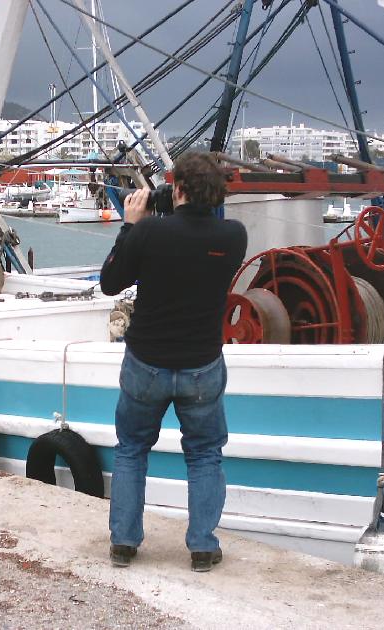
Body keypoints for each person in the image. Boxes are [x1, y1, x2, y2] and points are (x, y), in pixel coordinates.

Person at [99, 152, 247, 572]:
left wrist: (130, 225)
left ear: (177, 189)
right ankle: (202, 547)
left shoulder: (148, 233)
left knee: (131, 450)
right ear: (218, 194)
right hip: (202, 365)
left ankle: (124, 543)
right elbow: (203, 233)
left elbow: (110, 282)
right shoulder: (233, 236)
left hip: (146, 362)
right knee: (204, 455)